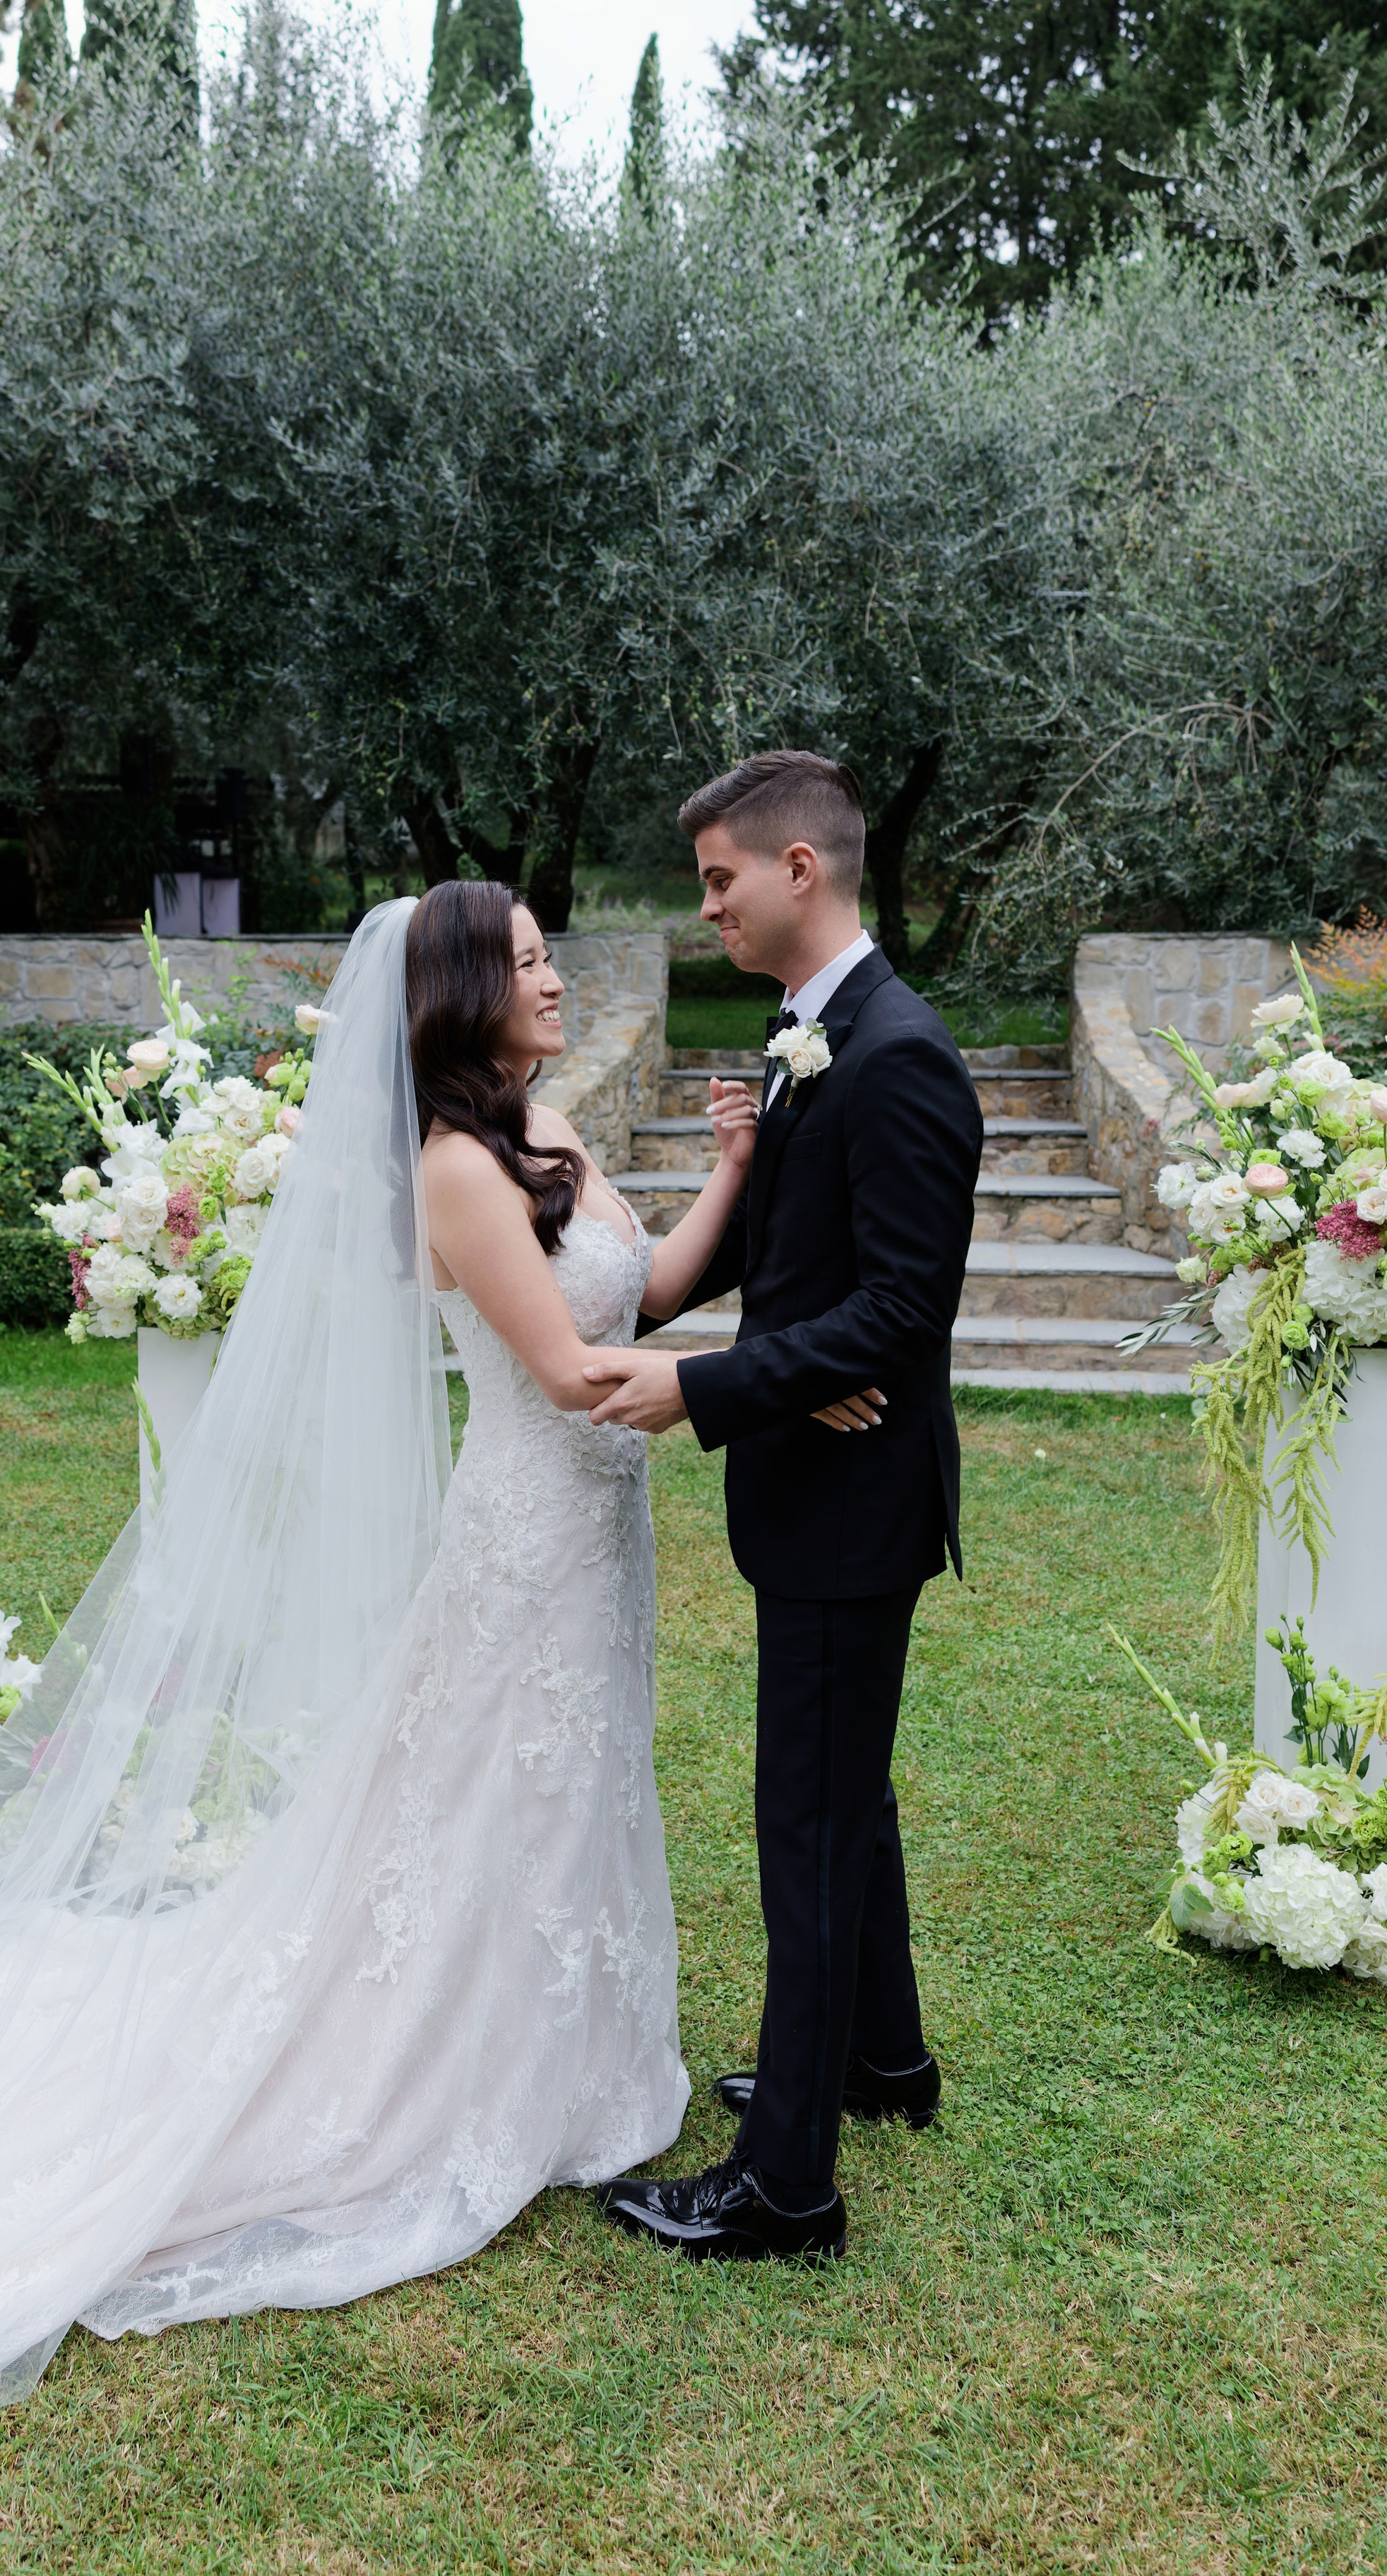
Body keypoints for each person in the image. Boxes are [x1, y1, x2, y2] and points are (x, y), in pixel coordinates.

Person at [0, 882, 754, 2576]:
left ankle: (566, 2050)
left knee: (555, 1797)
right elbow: (572, 1375)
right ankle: (453, 2066)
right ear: (453, 995)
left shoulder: (552, 1129)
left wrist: (732, 1171)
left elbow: (633, 1291)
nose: (558, 976)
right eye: (527, 958)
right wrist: (770, 1373)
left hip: (597, 1537)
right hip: (526, 1526)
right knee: (487, 1792)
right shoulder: (447, 1167)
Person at [584, 750, 983, 2267]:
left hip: (851, 1500)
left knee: (805, 1821)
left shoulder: (897, 1054)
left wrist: (705, 1382)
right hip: (811, 1483)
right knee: (846, 1798)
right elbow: (803, 1258)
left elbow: (900, 1312)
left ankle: (783, 2186)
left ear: (799, 870)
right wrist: (741, 1183)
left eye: (719, 880)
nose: (707, 911)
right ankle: (879, 2062)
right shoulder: (805, 1038)